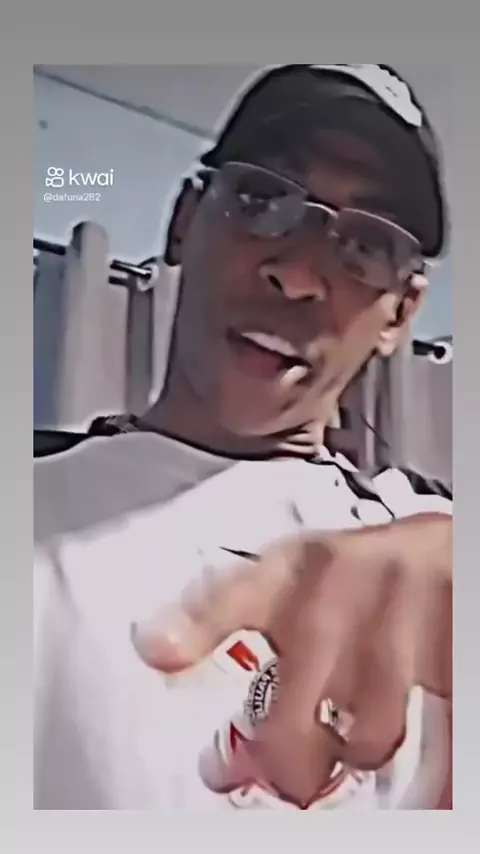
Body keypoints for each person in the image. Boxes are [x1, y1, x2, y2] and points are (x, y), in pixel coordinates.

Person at [34, 64, 452, 811]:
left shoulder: (432, 534)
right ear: (185, 221)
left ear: (400, 313)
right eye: (263, 201)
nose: (299, 276)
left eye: (367, 245)